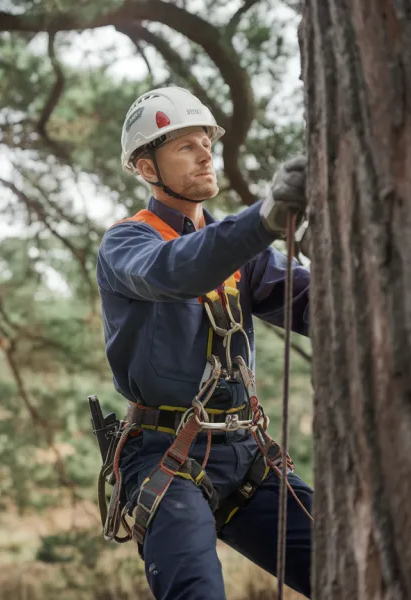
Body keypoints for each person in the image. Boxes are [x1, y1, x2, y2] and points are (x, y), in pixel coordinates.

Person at [95, 86, 313, 600]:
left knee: (346, 566)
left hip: (247, 452)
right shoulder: (128, 243)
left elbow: (323, 310)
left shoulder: (240, 249)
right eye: (185, 147)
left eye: (207, 143)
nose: (205, 154)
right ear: (147, 169)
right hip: (163, 453)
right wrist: (262, 221)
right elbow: (178, 270)